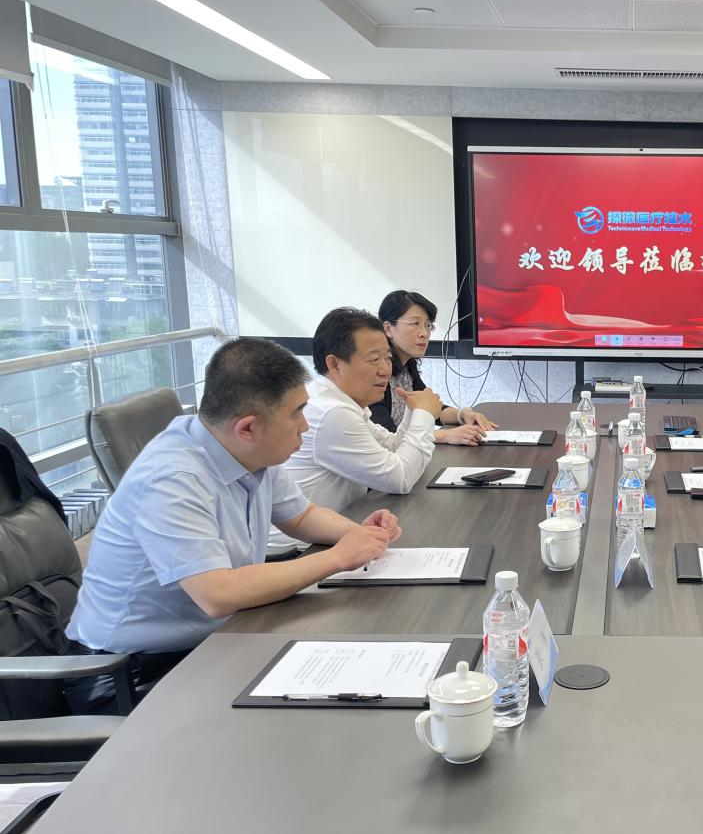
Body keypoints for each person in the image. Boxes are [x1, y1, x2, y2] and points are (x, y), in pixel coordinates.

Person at [67, 337, 402, 680]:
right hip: (131, 670)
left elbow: (301, 517)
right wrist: (338, 558)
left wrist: (363, 536)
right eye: (297, 413)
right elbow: (218, 594)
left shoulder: (247, 450)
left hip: (220, 634)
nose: (305, 425)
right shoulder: (171, 478)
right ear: (248, 427)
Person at [269, 308, 444, 553]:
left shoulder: (339, 401)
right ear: (334, 364)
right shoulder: (331, 412)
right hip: (300, 551)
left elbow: (393, 447)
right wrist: (424, 415)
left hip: (334, 531)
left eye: (387, 358)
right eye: (373, 360)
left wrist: (413, 411)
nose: (385, 369)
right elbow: (400, 479)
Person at [370, 290, 497, 443]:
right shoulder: (375, 373)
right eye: (415, 323)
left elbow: (432, 409)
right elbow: (386, 434)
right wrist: (446, 435)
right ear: (388, 328)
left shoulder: (407, 366)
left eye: (428, 325)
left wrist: (463, 414)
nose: (424, 333)